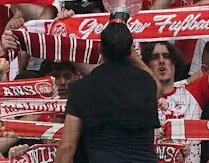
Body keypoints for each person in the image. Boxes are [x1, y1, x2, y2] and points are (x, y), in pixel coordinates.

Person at [57, 21, 158, 163]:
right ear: (130, 51)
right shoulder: (147, 83)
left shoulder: (82, 88)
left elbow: (67, 147)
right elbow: (158, 86)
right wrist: (135, 58)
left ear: (100, 49)